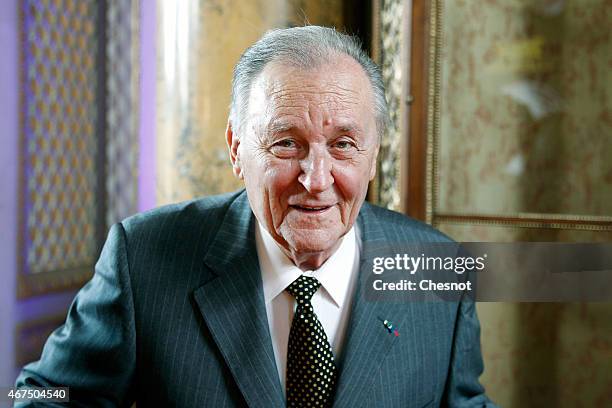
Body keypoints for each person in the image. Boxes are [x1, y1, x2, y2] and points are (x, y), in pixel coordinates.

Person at [16, 26, 495, 407]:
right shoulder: (143, 258)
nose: (316, 178)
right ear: (237, 149)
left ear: (374, 156)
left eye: (344, 145)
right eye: (287, 143)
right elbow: (39, 395)